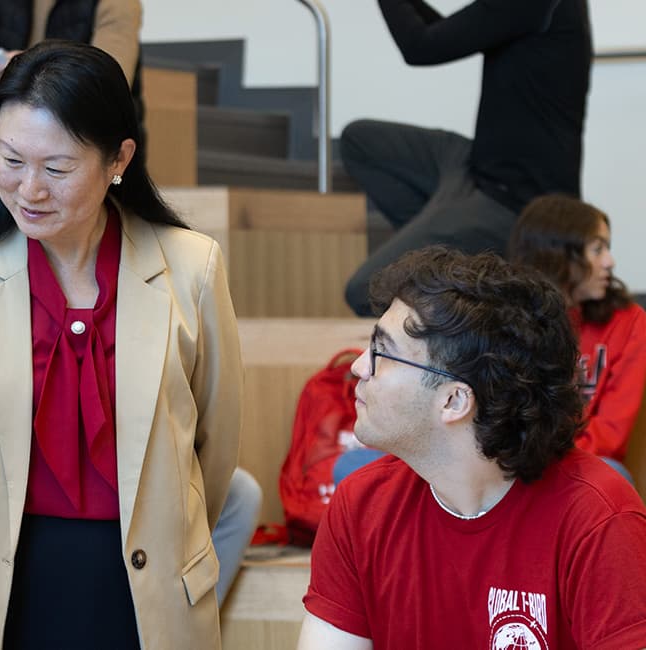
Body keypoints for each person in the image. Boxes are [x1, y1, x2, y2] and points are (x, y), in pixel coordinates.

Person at [0, 41, 241, 648]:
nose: (30, 189)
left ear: (118, 159)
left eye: (57, 168)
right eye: (10, 159)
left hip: (149, 585)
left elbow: (214, 440)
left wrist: (171, 537)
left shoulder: (192, 266)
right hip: (2, 586)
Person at [298, 247, 646, 649]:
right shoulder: (361, 506)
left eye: (383, 353)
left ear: (455, 401)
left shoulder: (599, 521)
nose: (359, 366)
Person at [341, 0, 592, 317]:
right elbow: (439, 33)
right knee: (360, 142)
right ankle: (445, 254)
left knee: (362, 290)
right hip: (474, 165)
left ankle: (450, 264)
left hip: (514, 202)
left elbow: (419, 46)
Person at [0, 0, 143, 219]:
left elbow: (110, 84)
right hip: (14, 117)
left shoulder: (117, 3)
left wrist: (24, 67)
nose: (30, 191)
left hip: (80, 117)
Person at [509, 194, 646, 482]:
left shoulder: (629, 321)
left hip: (579, 468)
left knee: (615, 474)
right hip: (510, 465)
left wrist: (545, 467)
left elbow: (610, 435)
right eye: (597, 249)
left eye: (607, 248)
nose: (609, 262)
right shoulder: (506, 320)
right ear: (559, 257)